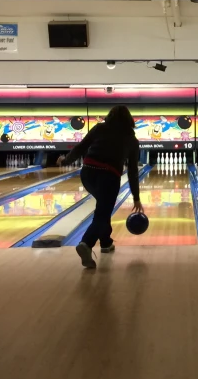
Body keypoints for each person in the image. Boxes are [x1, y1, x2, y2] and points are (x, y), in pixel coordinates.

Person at [59, 105, 143, 269]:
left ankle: (105, 242)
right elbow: (132, 171)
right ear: (130, 121)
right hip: (109, 177)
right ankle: (86, 243)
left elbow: (80, 148)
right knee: (102, 214)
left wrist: (65, 161)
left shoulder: (99, 128)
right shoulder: (132, 140)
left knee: (104, 207)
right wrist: (136, 197)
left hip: (88, 174)